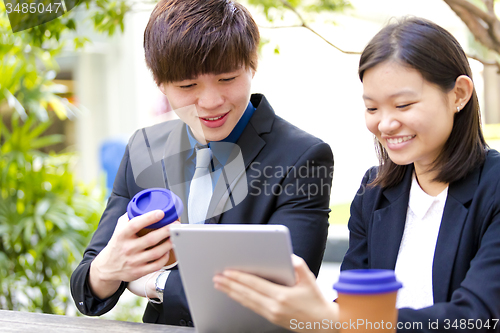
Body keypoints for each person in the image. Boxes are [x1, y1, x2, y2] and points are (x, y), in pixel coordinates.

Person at [214, 17, 500, 332]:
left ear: (459, 94)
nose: (386, 124)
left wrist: (333, 320)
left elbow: (481, 317)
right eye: (373, 108)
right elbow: (351, 308)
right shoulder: (374, 191)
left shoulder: (494, 186)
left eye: (403, 105)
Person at [70, 0, 334, 327]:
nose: (210, 102)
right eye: (187, 86)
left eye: (227, 79)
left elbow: (281, 294)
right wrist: (108, 268)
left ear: (252, 65)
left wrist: (155, 282)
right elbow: (87, 288)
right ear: (160, 84)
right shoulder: (144, 147)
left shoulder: (303, 157)